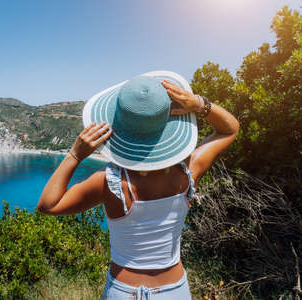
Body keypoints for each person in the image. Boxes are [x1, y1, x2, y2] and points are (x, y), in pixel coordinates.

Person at [37, 71, 239, 299]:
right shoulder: (189, 170)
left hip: (123, 291)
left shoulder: (109, 182)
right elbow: (230, 129)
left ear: (120, 127)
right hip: (175, 291)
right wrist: (199, 104)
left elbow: (48, 205)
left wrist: (75, 154)